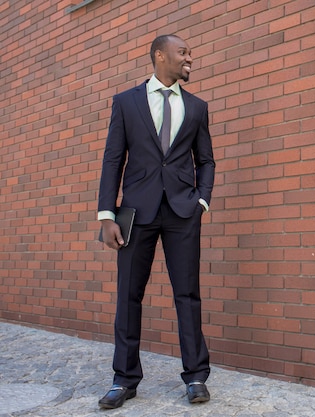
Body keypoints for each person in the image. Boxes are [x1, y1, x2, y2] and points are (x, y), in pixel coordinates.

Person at [97, 34, 215, 409]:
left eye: (190, 53)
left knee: (188, 295)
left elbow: (206, 160)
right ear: (159, 55)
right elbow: (113, 159)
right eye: (184, 52)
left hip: (183, 213)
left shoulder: (197, 107)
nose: (189, 58)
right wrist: (106, 214)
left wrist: (202, 201)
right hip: (135, 212)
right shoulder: (126, 102)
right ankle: (124, 379)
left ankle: (196, 376)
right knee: (129, 296)